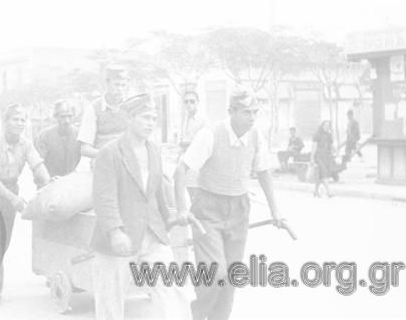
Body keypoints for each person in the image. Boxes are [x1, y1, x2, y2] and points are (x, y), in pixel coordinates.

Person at [173, 90, 283, 320]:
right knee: (216, 272)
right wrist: (182, 208)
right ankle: (198, 313)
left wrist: (275, 210)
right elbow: (181, 170)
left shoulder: (256, 136)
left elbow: (263, 172)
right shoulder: (211, 134)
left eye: (255, 112)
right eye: (246, 112)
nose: (252, 117)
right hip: (208, 209)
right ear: (231, 112)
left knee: (232, 275)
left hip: (239, 209)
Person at [91, 94, 191, 320]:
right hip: (118, 239)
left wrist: (170, 218)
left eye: (154, 118)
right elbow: (103, 198)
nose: (151, 123)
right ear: (129, 119)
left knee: (171, 288)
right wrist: (115, 232)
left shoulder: (154, 150)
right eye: (145, 117)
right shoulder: (110, 153)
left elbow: (157, 194)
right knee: (110, 302)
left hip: (152, 234)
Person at [0, 103, 52, 304]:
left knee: (4, 241)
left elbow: (37, 164)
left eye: (22, 120)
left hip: (10, 192)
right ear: (5, 122)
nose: (19, 123)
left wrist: (49, 183)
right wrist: (12, 198)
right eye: (15, 119)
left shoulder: (25, 143)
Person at [78, 65, 130, 159]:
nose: (120, 89)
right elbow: (85, 149)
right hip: (103, 161)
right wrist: (109, 155)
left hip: (128, 159)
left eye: (123, 85)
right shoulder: (93, 109)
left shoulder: (131, 107)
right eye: (116, 84)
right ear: (107, 84)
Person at [35, 100, 81, 177]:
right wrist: (47, 179)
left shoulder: (79, 134)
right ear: (55, 117)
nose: (67, 121)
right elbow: (38, 165)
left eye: (70, 116)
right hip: (49, 179)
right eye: (63, 117)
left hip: (70, 179)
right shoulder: (44, 136)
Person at [178, 90, 207, 198]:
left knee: (197, 194)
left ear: (198, 102)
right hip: (185, 161)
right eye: (186, 102)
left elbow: (204, 143)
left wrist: (186, 143)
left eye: (192, 101)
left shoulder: (203, 120)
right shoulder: (184, 119)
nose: (189, 104)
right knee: (189, 191)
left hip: (197, 163)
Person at [310, 120, 343, 197]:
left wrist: (337, 153)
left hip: (326, 156)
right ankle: (329, 192)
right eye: (325, 125)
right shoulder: (317, 134)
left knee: (320, 175)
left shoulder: (329, 135)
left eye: (328, 126)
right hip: (318, 156)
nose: (326, 127)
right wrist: (311, 158)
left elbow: (331, 146)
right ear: (322, 126)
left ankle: (315, 191)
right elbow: (314, 147)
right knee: (324, 173)